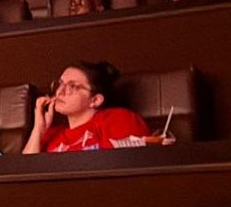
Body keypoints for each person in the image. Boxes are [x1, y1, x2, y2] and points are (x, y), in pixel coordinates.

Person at [23, 62, 158, 153]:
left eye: (73, 86)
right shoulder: (51, 133)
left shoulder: (117, 119)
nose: (60, 91)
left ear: (95, 100)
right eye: (60, 84)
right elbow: (23, 176)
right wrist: (38, 130)